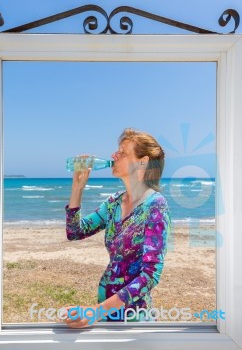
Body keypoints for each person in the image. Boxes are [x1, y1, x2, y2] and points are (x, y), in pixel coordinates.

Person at [63, 128, 171, 328]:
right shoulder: (114, 202)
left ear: (142, 161)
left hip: (134, 317)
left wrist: (97, 311)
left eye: (123, 152)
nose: (114, 155)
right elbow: (75, 232)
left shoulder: (155, 205)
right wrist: (77, 189)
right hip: (105, 310)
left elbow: (150, 275)